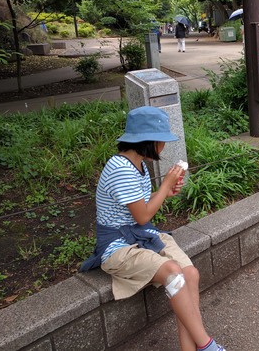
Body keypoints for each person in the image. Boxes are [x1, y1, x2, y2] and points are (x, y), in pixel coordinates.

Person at [80, 106, 225, 351]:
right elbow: (143, 214)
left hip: (141, 236)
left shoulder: (138, 165)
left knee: (190, 275)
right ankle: (206, 345)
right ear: (150, 141)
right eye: (162, 140)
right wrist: (166, 184)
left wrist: (165, 191)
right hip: (118, 247)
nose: (164, 146)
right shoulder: (120, 168)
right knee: (172, 272)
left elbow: (142, 208)